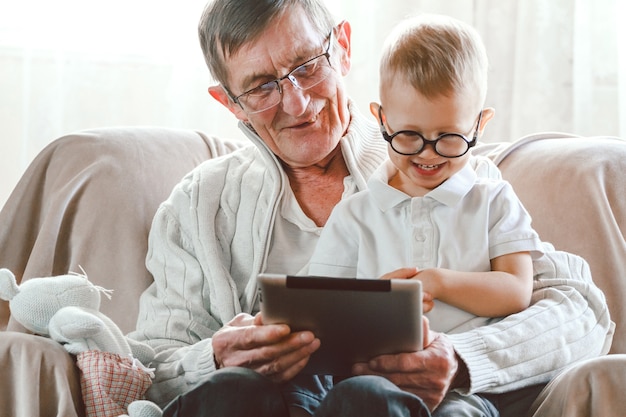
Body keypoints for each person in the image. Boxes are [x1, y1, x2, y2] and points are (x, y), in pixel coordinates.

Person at [127, 0, 612, 416]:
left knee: (368, 400)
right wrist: (212, 357)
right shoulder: (197, 206)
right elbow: (147, 369)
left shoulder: (449, 170)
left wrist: (460, 357)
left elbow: (581, 308)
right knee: (230, 391)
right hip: (273, 401)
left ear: (343, 47)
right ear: (229, 102)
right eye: (260, 86)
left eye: (307, 64)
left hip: (382, 403)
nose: (296, 103)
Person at [307, 14, 544, 415]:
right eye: (409, 135)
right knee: (354, 399)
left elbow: (517, 290)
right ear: (382, 120)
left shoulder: (493, 200)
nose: (427, 153)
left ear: (479, 125)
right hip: (372, 385)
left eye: (448, 137)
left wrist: (437, 281)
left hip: (465, 393)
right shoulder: (355, 215)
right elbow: (318, 311)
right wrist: (375, 301)